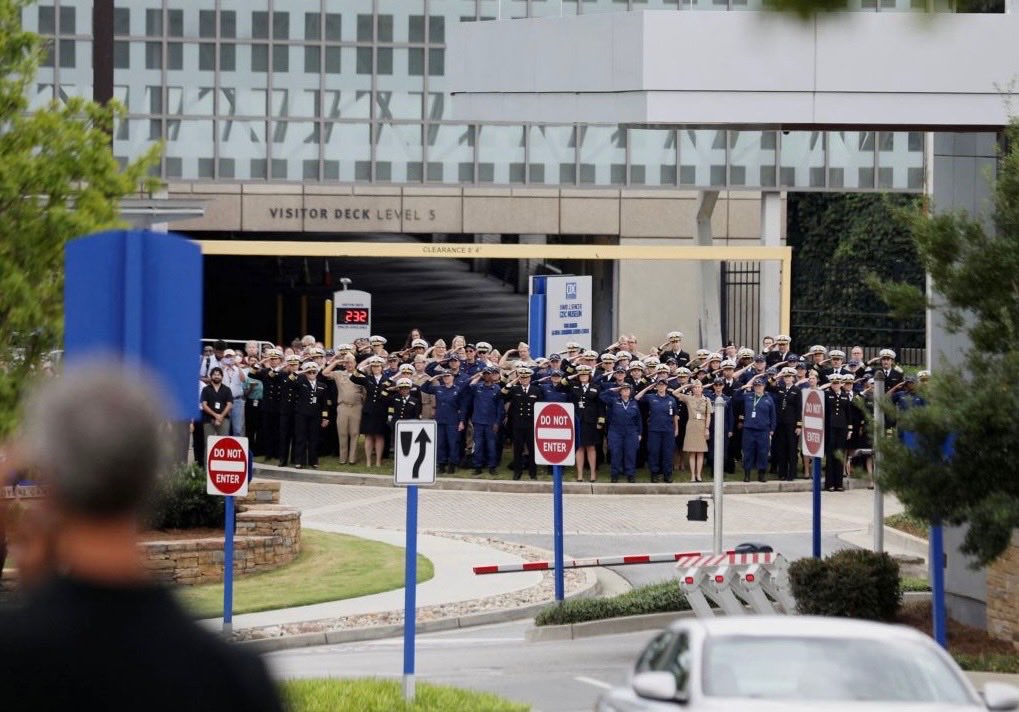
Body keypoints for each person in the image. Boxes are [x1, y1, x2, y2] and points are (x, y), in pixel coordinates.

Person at [0, 366, 284, 711]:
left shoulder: (16, 656)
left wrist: (39, 597)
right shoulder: (233, 677)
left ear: (51, 473)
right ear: (152, 475)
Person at [558, 364, 603, 482]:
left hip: (591, 421)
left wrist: (601, 420)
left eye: (585, 374)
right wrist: (573, 375)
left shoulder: (596, 387)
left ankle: (593, 474)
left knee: (591, 447)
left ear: (589, 375)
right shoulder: (573, 386)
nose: (583, 376)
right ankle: (580, 474)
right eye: (581, 374)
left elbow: (600, 405)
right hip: (577, 421)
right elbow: (559, 386)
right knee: (579, 447)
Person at [501, 366, 543, 480]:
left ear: (530, 378)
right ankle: (517, 472)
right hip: (518, 424)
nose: (524, 380)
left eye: (526, 377)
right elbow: (503, 393)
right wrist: (513, 381)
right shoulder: (514, 389)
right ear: (519, 379)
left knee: (532, 449)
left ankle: (533, 472)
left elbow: (540, 407)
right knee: (518, 450)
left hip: (531, 424)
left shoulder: (536, 390)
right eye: (522, 378)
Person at [635, 373, 678, 483]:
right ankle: (654, 473)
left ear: (666, 386)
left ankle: (667, 474)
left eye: (663, 385)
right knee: (654, 452)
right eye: (659, 385)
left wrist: (676, 429)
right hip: (654, 430)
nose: (661, 387)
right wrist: (648, 387)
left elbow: (675, 416)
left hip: (668, 430)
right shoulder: (651, 397)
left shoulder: (671, 399)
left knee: (667, 453)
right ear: (656, 386)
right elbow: (637, 397)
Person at [349, 355, 390, 467]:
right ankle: (368, 461)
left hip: (381, 411)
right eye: (373, 366)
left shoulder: (387, 380)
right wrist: (365, 365)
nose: (375, 368)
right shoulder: (367, 379)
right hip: (369, 411)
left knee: (379, 436)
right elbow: (353, 377)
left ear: (382, 367)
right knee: (368, 436)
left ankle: (378, 461)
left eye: (378, 366)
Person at [599, 376, 642, 483]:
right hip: (615, 431)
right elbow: (602, 396)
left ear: (630, 391)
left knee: (630, 454)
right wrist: (612, 390)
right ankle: (615, 474)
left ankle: (630, 474)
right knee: (615, 453)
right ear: (620, 391)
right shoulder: (614, 401)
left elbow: (639, 419)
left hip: (631, 431)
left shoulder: (634, 403)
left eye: (628, 389)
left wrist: (639, 433)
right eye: (623, 389)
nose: (626, 391)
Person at [290, 361, 329, 469]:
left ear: (317, 372)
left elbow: (324, 404)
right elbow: (288, 382)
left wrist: (325, 417)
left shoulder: (322, 386)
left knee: (314, 439)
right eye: (309, 372)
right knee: (301, 438)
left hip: (315, 416)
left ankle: (313, 461)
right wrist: (301, 372)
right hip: (301, 415)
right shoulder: (300, 382)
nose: (312, 373)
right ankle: (299, 461)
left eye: (314, 372)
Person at [466, 366, 503, 476]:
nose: (487, 376)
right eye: (485, 374)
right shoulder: (478, 387)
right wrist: (478, 375)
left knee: (491, 446)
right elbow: (470, 385)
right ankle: (478, 466)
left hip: (491, 422)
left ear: (493, 375)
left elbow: (500, 408)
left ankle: (492, 466)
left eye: (489, 374)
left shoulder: (497, 389)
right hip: (478, 421)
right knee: (478, 446)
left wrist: (497, 422)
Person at [673, 379, 711, 483]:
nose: (697, 389)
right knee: (692, 452)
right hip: (691, 425)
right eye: (695, 387)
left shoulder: (706, 400)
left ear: (702, 389)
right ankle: (692, 476)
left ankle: (699, 475)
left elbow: (708, 415)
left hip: (702, 426)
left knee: (700, 452)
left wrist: (707, 429)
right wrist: (686, 385)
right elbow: (674, 393)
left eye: (699, 387)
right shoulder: (689, 398)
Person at [739, 376, 776, 483]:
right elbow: (736, 396)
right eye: (756, 386)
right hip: (749, 429)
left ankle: (762, 474)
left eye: (760, 386)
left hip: (763, 430)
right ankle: (747, 474)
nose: (758, 388)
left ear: (764, 386)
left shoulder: (769, 399)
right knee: (748, 452)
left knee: (763, 452)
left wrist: (772, 428)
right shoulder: (748, 396)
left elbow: (773, 415)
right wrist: (745, 387)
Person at [771, 367, 803, 482]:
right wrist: (777, 376)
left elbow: (799, 408)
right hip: (781, 422)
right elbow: (769, 385)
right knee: (782, 448)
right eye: (785, 377)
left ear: (793, 378)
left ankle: (792, 473)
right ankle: (782, 473)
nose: (787, 379)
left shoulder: (797, 390)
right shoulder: (781, 388)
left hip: (792, 423)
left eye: (789, 377)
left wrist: (799, 425)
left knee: (792, 448)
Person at [200, 366, 232, 442]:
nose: (216, 376)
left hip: (223, 419)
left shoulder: (227, 389)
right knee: (208, 443)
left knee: (224, 442)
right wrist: (216, 415)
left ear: (222, 376)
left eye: (218, 375)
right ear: (211, 377)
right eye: (214, 374)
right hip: (208, 419)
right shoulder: (206, 389)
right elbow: (204, 405)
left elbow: (229, 404)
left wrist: (221, 416)